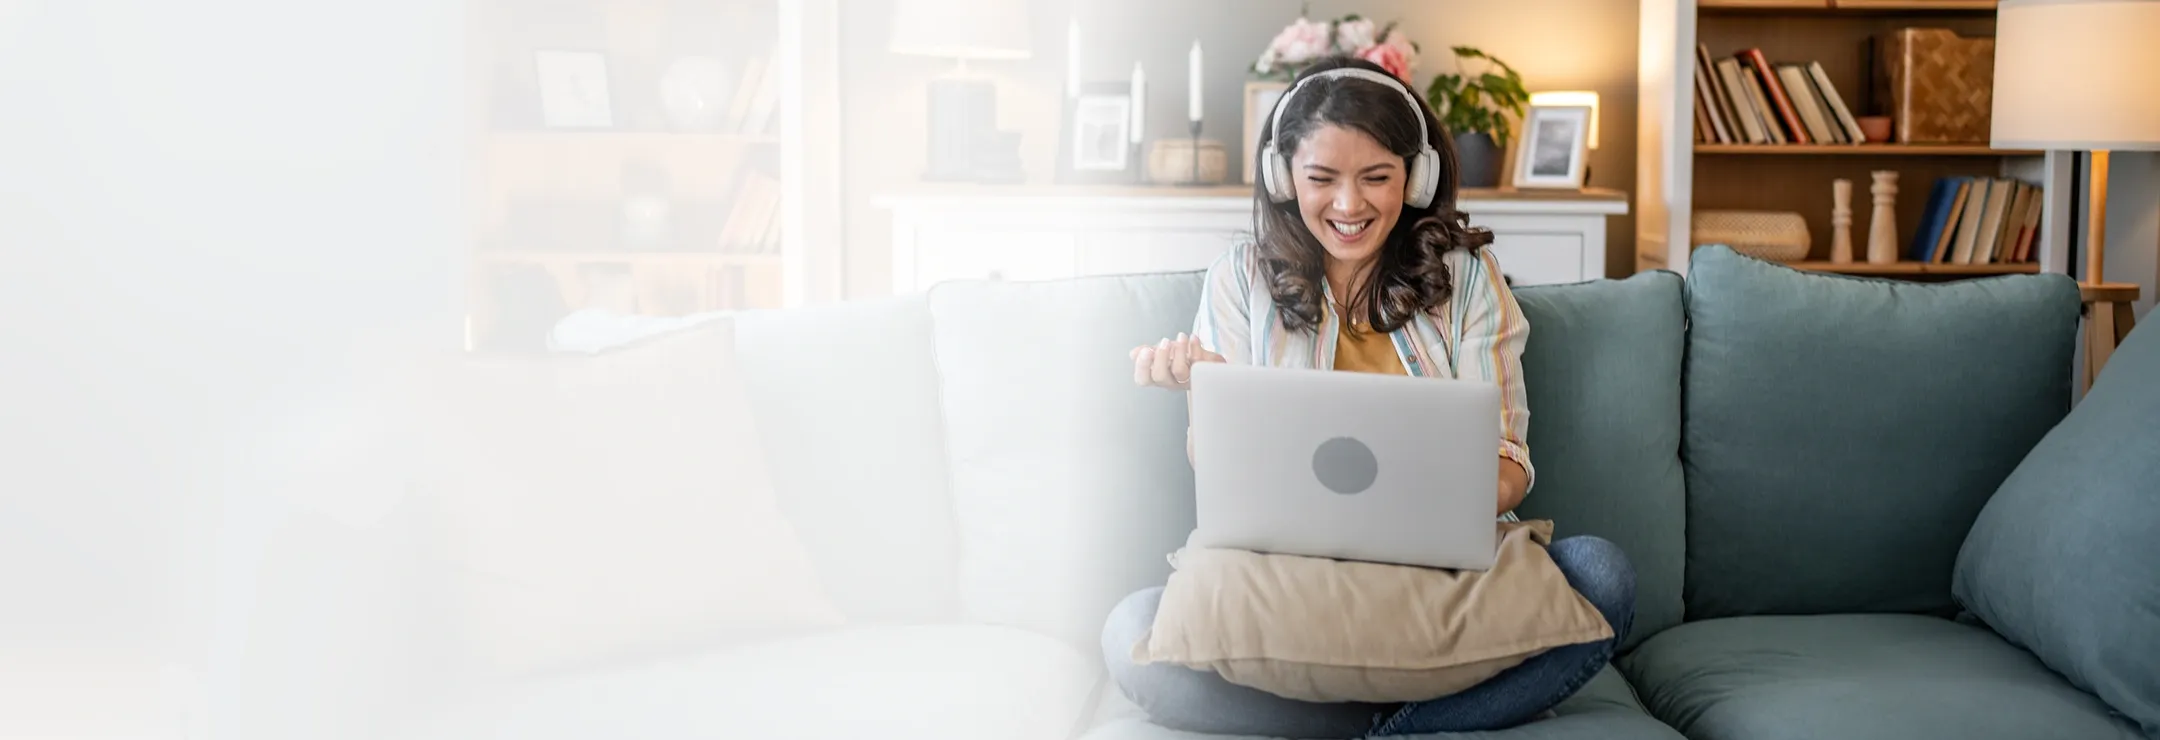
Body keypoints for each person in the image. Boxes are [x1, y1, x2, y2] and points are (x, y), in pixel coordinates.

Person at [1102, 56, 1636, 738]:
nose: (1349, 206)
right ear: (1282, 177)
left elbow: (1507, 468)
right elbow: (1218, 472)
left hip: (1440, 582)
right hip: (1286, 580)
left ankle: (1370, 727)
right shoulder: (1241, 277)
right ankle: (1419, 721)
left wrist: (1410, 512)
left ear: (1416, 179)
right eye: (1321, 179)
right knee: (1131, 631)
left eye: (1376, 178)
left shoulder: (1467, 280)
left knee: (1602, 575)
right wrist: (1203, 389)